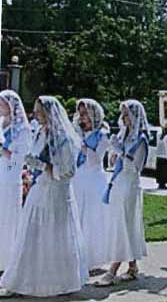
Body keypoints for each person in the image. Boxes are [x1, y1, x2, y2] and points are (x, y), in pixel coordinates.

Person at [0, 96, 88, 297]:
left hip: (55, 193)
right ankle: (20, 282)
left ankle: (58, 281)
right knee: (30, 234)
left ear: (49, 113)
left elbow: (67, 171)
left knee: (54, 236)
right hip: (39, 188)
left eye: (40, 112)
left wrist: (42, 166)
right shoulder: (40, 133)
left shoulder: (63, 138)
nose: (36, 115)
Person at [96, 99, 149, 286]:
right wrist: (114, 152)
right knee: (122, 224)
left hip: (130, 184)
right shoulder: (124, 135)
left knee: (124, 224)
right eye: (123, 114)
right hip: (118, 182)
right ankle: (132, 266)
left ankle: (113, 269)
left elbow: (136, 166)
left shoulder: (141, 139)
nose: (124, 118)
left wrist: (121, 152)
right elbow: (113, 163)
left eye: (127, 114)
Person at [73, 98, 110, 272]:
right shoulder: (78, 132)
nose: (82, 117)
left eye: (85, 113)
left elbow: (96, 159)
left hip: (94, 179)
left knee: (91, 218)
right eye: (80, 113)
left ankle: (93, 258)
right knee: (77, 215)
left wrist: (83, 147)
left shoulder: (102, 135)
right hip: (78, 178)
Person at [0, 90, 31, 272]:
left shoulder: (22, 129)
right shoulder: (1, 124)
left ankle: (7, 260)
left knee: (8, 218)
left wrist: (5, 152)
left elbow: (23, 157)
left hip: (11, 178)